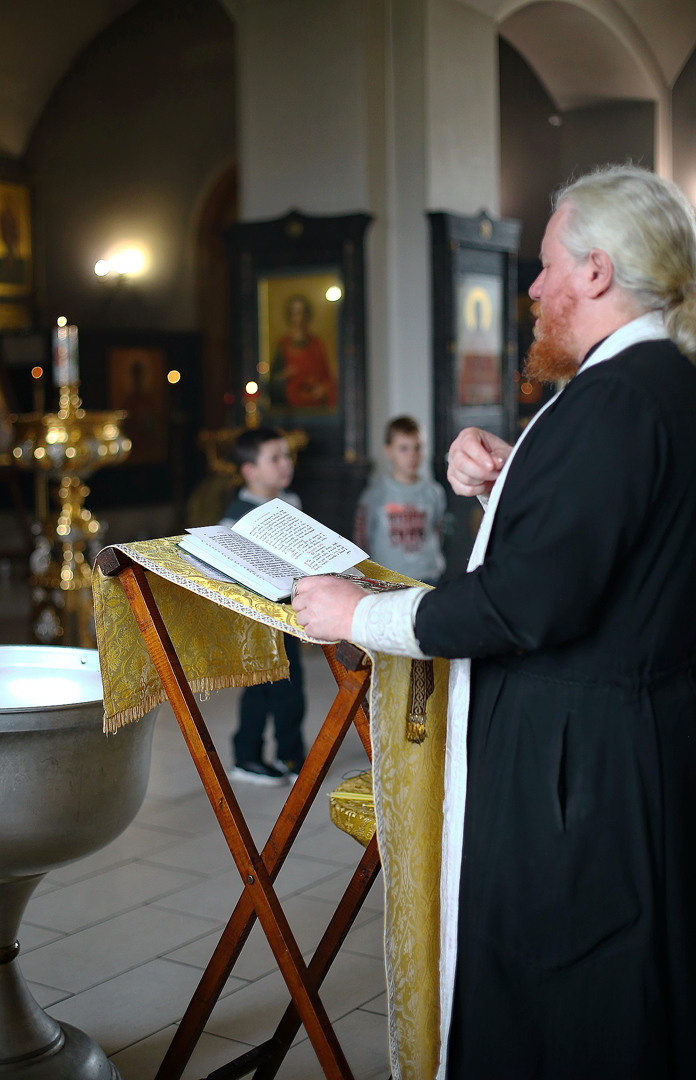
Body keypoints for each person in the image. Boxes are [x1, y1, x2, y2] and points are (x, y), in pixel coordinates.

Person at [291, 164, 696, 1079]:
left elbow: (531, 601)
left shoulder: (616, 398)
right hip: (632, 740)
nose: (533, 287)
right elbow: (612, 547)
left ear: (596, 271)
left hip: (581, 770)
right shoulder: (658, 381)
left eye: (548, 263)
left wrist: (363, 612)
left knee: (570, 997)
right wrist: (512, 479)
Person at [221, 426, 306, 785]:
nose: (286, 463)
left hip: (287, 612)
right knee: (259, 687)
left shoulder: (292, 502)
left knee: (291, 685)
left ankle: (291, 755)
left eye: (287, 455)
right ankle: (247, 757)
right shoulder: (236, 515)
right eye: (275, 458)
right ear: (250, 471)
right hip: (256, 617)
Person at [353, 415, 446, 585]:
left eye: (417, 447)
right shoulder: (375, 494)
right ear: (388, 451)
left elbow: (438, 529)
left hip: (428, 575)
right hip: (388, 578)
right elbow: (362, 537)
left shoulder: (434, 492)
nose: (412, 455)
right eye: (404, 448)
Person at [269, 293, 337, 409]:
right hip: (291, 407)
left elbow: (327, 377)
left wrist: (323, 388)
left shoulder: (316, 345)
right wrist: (283, 376)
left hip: (315, 405)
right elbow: (273, 382)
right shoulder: (283, 345)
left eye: (302, 313)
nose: (299, 318)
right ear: (290, 316)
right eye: (295, 313)